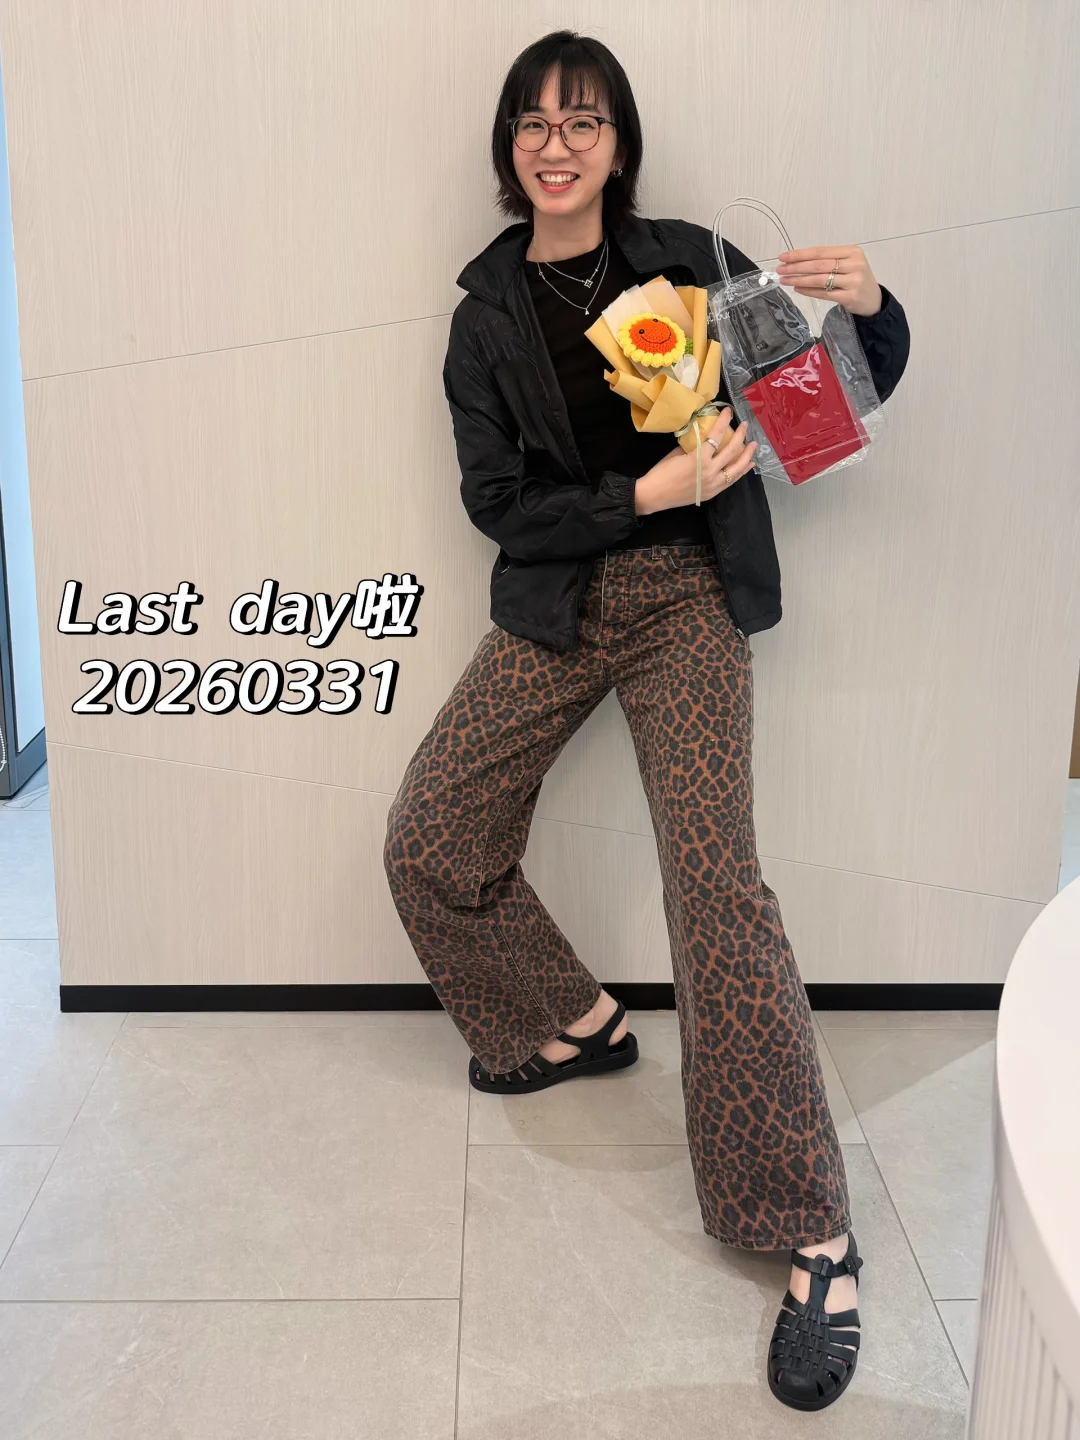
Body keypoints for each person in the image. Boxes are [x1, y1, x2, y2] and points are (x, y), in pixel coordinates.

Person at [383, 28, 910, 1413]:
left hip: (686, 601)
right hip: (559, 599)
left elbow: (819, 410)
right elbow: (498, 506)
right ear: (509, 149)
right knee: (431, 835)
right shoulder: (486, 315)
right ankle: (576, 1022)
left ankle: (815, 1235)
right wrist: (642, 493)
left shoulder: (689, 261)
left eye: (584, 121)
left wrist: (871, 312)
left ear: (620, 144)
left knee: (716, 889)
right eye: (534, 123)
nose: (557, 145)